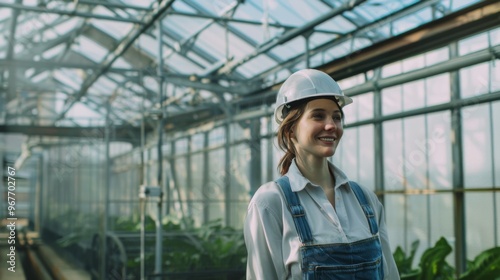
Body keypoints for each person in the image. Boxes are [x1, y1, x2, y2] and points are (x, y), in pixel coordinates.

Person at [244, 69, 400, 279]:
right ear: (290, 130)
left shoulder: (365, 200)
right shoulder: (270, 203)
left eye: (337, 117)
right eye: (318, 116)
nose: (331, 125)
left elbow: (389, 275)